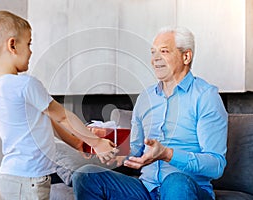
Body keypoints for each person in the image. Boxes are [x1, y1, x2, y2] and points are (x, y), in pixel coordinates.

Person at [72, 26, 228, 200]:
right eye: (153, 52)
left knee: (175, 181)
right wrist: (112, 150)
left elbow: (216, 165)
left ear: (186, 56)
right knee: (86, 176)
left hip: (188, 189)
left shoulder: (206, 97)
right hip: (146, 189)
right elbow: (135, 149)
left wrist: (168, 154)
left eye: (164, 51)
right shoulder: (145, 98)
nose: (155, 59)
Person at [0, 10, 118, 200]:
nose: (31, 51)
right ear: (12, 45)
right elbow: (63, 116)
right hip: (30, 180)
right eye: (28, 43)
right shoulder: (25, 84)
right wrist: (97, 142)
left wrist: (78, 143)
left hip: (12, 176)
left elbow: (47, 122)